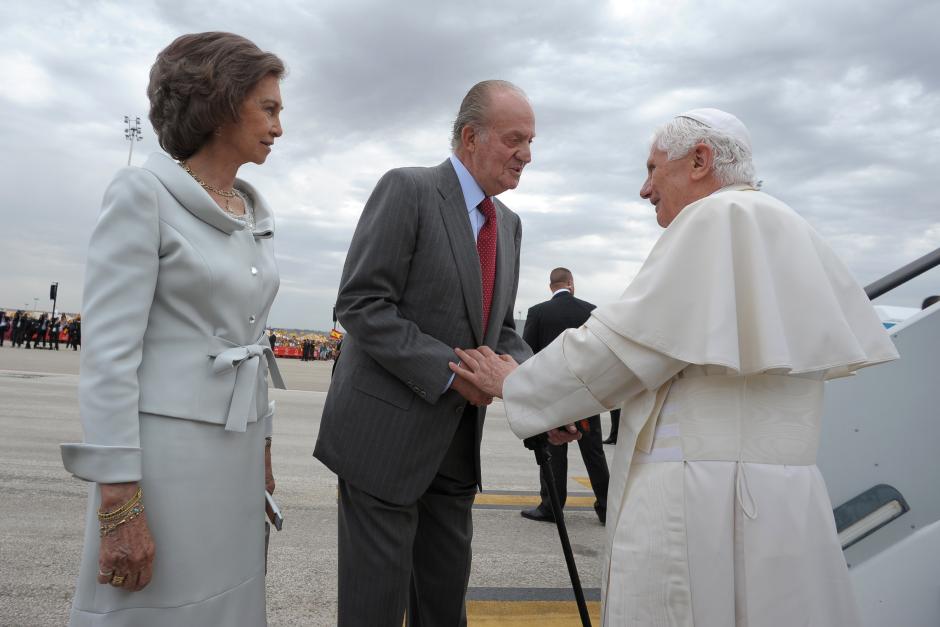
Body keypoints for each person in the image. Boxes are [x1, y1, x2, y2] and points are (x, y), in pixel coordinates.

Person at [450, 108, 900, 626]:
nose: (645, 189)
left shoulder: (716, 219)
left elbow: (619, 349)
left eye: (652, 168)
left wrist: (516, 383)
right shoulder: (788, 227)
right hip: (782, 508)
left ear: (700, 161)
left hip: (703, 506)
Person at [59, 32, 286, 626]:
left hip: (234, 461)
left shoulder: (247, 211)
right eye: (269, 108)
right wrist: (118, 504)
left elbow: (251, 340)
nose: (278, 127)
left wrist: (262, 445)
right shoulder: (143, 194)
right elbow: (109, 357)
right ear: (221, 104)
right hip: (165, 465)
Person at [314, 79, 535, 626]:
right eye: (514, 140)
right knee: (375, 610)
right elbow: (362, 303)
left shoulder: (508, 225)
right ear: (470, 137)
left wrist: (542, 389)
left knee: (444, 606)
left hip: (456, 450)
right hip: (383, 444)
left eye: (531, 142)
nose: (526, 155)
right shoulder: (407, 190)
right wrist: (451, 373)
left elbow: (500, 330)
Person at [519, 267, 609, 525]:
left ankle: (552, 507)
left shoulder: (538, 312)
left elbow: (528, 356)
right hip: (584, 394)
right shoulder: (590, 310)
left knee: (554, 452)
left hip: (552, 395)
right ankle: (606, 507)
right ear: (571, 283)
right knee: (594, 452)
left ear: (551, 286)